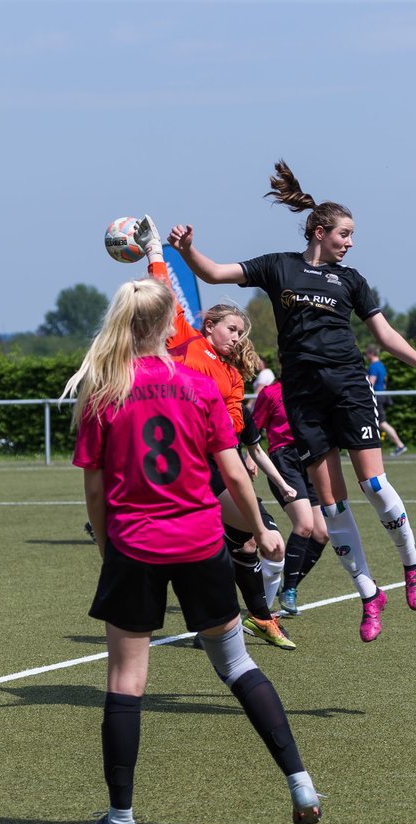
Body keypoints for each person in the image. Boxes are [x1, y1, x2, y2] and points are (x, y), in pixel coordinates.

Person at [63, 278, 321, 824]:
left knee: (126, 680)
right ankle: (300, 782)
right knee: (236, 665)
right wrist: (260, 530)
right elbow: (232, 472)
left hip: (135, 545)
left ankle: (122, 819)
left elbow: (94, 490)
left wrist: (109, 549)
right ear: (169, 326)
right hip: (202, 541)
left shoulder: (104, 392)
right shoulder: (199, 385)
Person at [164, 160, 416, 642]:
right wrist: (189, 249)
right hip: (303, 397)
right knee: (332, 506)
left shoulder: (352, 280)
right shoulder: (280, 266)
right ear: (320, 231)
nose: (350, 242)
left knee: (375, 485)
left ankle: (412, 564)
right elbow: (215, 273)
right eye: (345, 233)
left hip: (347, 387)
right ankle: (369, 594)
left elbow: (382, 331)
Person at [133, 221, 295, 651]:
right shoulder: (185, 339)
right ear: (209, 327)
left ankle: (260, 616)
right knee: (238, 539)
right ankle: (231, 620)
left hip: (213, 459)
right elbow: (162, 292)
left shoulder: (232, 371)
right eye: (231, 329)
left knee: (252, 537)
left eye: (242, 332)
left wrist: (239, 452)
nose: (237, 336)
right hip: (180, 459)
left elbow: (234, 420)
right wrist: (154, 252)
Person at [252, 376, 329, 616]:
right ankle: (289, 591)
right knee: (305, 525)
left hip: (311, 459)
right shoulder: (271, 393)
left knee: (322, 533)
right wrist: (249, 459)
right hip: (283, 460)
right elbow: (252, 430)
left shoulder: (315, 389)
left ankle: (288, 586)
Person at [365, 344, 408, 457]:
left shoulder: (374, 366)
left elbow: (371, 383)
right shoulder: (381, 366)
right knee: (376, 422)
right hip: (381, 395)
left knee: (381, 423)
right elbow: (384, 382)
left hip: (376, 397)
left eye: (366, 353)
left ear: (370, 353)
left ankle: (400, 445)